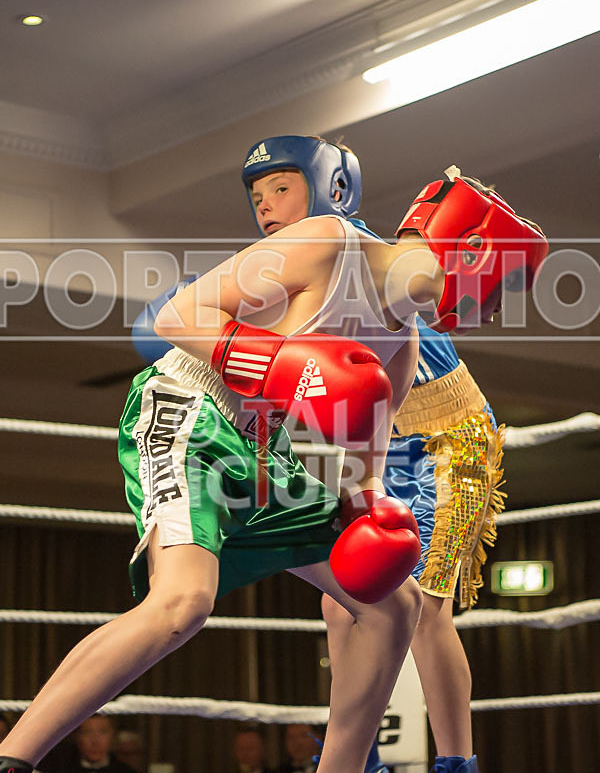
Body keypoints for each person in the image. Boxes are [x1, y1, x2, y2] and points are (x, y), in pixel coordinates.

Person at [0, 136, 545, 773]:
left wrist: (370, 511)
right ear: (476, 255)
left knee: (390, 605)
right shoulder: (328, 242)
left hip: (271, 452)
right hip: (190, 412)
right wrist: (282, 364)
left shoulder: (403, 342)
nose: (500, 306)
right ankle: (16, 757)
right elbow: (177, 315)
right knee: (182, 604)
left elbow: (357, 458)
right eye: (505, 286)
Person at [239, 137, 544, 773]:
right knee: (342, 597)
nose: (267, 206)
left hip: (445, 436)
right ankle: (357, 754)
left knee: (427, 606)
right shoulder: (282, 266)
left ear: (328, 188)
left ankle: (457, 762)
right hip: (365, 433)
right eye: (257, 195)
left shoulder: (348, 244)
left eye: (282, 188)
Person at [40, 715, 138, 773]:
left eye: (103, 732)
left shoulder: (125, 771)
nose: (95, 741)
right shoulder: (58, 768)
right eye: (87, 732)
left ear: (113, 736)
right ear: (77, 736)